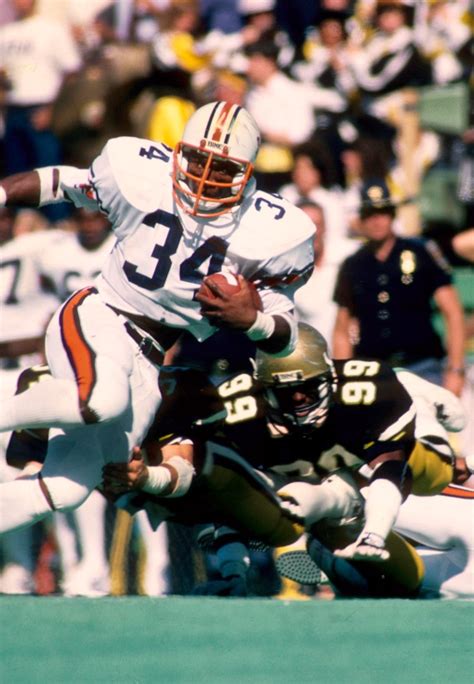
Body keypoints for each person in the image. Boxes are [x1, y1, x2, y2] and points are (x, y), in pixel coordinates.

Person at [0, 100, 315, 538]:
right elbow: (64, 182)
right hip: (101, 312)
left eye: (222, 168)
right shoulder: (142, 172)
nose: (205, 177)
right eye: (198, 160)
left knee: (66, 489)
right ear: (179, 152)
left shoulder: (274, 231)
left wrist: (252, 321)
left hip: (150, 358)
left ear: (247, 173)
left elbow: (285, 337)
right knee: (100, 400)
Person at [332, 178, 466, 396]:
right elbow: (342, 329)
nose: (377, 221)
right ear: (362, 219)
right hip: (373, 372)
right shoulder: (353, 264)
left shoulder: (421, 252)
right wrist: (343, 380)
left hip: (423, 367)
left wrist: (456, 368)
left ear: (392, 214)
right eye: (370, 214)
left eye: (383, 213)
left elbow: (452, 312)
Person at [292, 200, 358, 347]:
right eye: (304, 226)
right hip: (315, 361)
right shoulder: (286, 271)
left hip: (354, 356)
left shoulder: (349, 256)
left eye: (317, 225)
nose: (312, 233)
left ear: (326, 226)